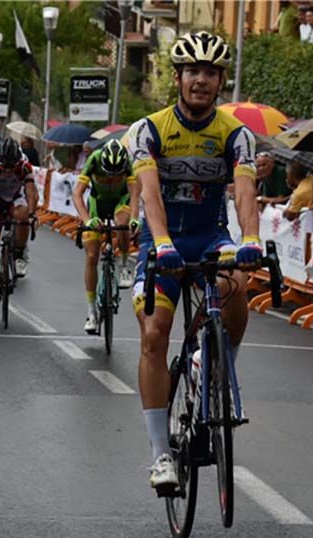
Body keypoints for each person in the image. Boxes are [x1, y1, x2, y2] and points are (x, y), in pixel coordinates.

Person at [123, 31, 262, 493]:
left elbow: (245, 191)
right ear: (178, 79)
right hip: (162, 239)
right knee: (154, 335)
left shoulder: (236, 134)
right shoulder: (149, 130)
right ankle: (161, 454)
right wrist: (162, 243)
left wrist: (252, 237)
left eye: (210, 73)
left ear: (221, 82)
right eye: (193, 72)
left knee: (237, 284)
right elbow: (150, 193)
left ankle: (214, 365)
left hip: (210, 237)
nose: (201, 80)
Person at [71, 139, 142, 333]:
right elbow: (77, 194)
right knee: (92, 255)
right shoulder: (94, 160)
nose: (112, 176)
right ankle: (91, 311)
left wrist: (135, 219)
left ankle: (124, 266)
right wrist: (87, 220)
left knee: (123, 223)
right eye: (108, 172)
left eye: (116, 174)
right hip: (97, 205)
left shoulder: (127, 163)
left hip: (120, 202)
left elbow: (134, 194)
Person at [0, 137, 39, 306]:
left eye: (12, 166)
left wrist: (32, 215)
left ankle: (19, 253)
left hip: (15, 200)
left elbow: (30, 192)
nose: (9, 170)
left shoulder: (25, 166)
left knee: (23, 216)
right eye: (5, 166)